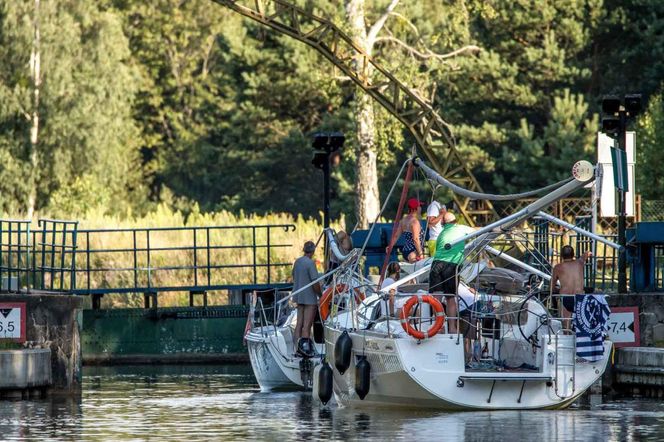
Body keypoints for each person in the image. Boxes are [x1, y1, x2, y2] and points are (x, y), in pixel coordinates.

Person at [428, 212, 475, 333]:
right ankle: (452, 328)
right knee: (450, 298)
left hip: (437, 264)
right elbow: (478, 230)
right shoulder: (461, 228)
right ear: (455, 221)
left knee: (436, 298)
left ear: (443, 223)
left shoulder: (441, 234)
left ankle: (439, 326)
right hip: (451, 265)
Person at [551, 245, 592, 330]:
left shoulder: (558, 267)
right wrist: (589, 253)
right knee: (581, 324)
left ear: (561, 255)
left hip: (566, 297)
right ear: (573, 254)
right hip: (579, 297)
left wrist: (553, 293)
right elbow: (586, 254)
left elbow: (552, 285)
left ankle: (567, 334)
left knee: (566, 325)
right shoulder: (580, 263)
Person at [292, 240, 322, 355]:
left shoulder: (297, 262)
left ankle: (295, 349)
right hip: (309, 298)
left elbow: (294, 276)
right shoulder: (310, 264)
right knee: (307, 325)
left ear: (304, 250)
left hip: (299, 296)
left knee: (299, 323)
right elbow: (315, 283)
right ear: (313, 251)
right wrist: (320, 294)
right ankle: (304, 350)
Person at [386, 198, 425, 263]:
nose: (420, 208)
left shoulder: (403, 221)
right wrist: (421, 254)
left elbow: (396, 236)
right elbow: (415, 239)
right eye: (419, 206)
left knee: (408, 272)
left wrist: (390, 246)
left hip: (406, 251)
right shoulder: (414, 222)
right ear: (415, 209)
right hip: (414, 252)